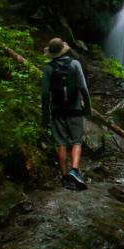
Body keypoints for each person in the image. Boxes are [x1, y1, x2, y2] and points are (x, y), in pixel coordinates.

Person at [41, 37, 91, 190]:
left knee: (61, 143)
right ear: (64, 49)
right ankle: (74, 171)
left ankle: (64, 178)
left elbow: (44, 94)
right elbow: (83, 87)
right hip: (75, 109)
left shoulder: (48, 68)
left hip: (57, 111)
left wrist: (45, 116)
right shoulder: (75, 64)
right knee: (76, 141)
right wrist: (87, 107)